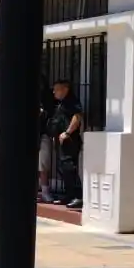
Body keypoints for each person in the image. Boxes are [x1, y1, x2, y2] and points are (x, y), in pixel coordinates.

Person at [47, 79, 84, 209]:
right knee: (62, 168)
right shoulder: (61, 103)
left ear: (65, 89)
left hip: (70, 140)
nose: (54, 92)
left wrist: (67, 133)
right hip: (60, 141)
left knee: (69, 167)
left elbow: (77, 117)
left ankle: (78, 196)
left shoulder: (72, 101)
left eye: (56, 89)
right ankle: (69, 195)